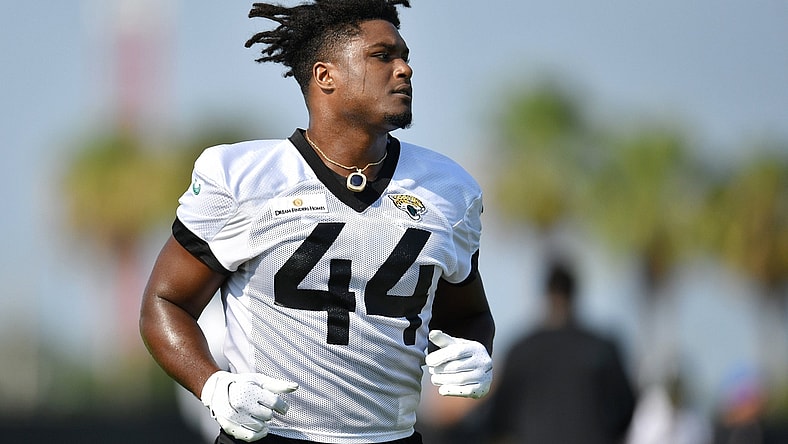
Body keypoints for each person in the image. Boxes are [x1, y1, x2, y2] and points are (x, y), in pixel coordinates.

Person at [138, 1, 495, 443]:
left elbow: (470, 313)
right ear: (325, 75)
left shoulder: (449, 190)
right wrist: (213, 384)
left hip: (394, 438)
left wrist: (476, 351)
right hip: (273, 437)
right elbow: (166, 302)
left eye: (404, 56)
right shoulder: (244, 178)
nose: (404, 69)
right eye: (383, 56)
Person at [486, 260, 635, 444]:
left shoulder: (520, 351)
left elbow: (499, 418)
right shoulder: (603, 349)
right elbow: (626, 409)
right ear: (574, 293)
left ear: (547, 293)